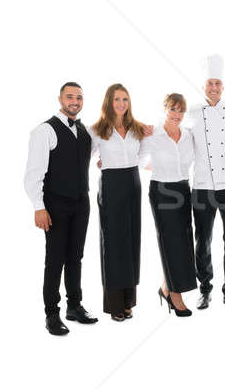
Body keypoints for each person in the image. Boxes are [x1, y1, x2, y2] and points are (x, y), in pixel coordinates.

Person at [24, 82, 98, 335]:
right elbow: (34, 173)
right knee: (54, 259)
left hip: (82, 202)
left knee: (75, 257)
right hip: (55, 203)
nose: (75, 101)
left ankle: (74, 306)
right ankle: (52, 314)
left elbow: (96, 150)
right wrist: (38, 207)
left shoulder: (85, 131)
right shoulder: (45, 130)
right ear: (60, 99)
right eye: (70, 97)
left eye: (79, 97)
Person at [186, 54, 225, 311]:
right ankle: (205, 288)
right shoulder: (191, 112)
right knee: (203, 240)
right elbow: (179, 141)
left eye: (217, 84)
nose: (213, 87)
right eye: (210, 83)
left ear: (223, 86)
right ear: (204, 86)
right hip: (201, 186)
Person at [90, 83, 147, 322]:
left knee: (132, 240)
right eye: (117, 99)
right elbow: (84, 156)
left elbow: (143, 154)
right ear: (108, 102)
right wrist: (103, 163)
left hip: (133, 181)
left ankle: (128, 301)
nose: (121, 103)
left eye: (125, 99)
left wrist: (131, 160)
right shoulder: (96, 130)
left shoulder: (137, 128)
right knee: (113, 242)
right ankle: (114, 304)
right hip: (111, 184)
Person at [140, 93, 197, 317]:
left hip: (184, 189)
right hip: (162, 190)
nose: (177, 115)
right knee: (169, 240)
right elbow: (139, 160)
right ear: (164, 109)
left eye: (181, 110)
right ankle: (175, 295)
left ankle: (165, 286)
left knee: (183, 241)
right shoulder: (152, 133)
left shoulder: (188, 135)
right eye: (173, 109)